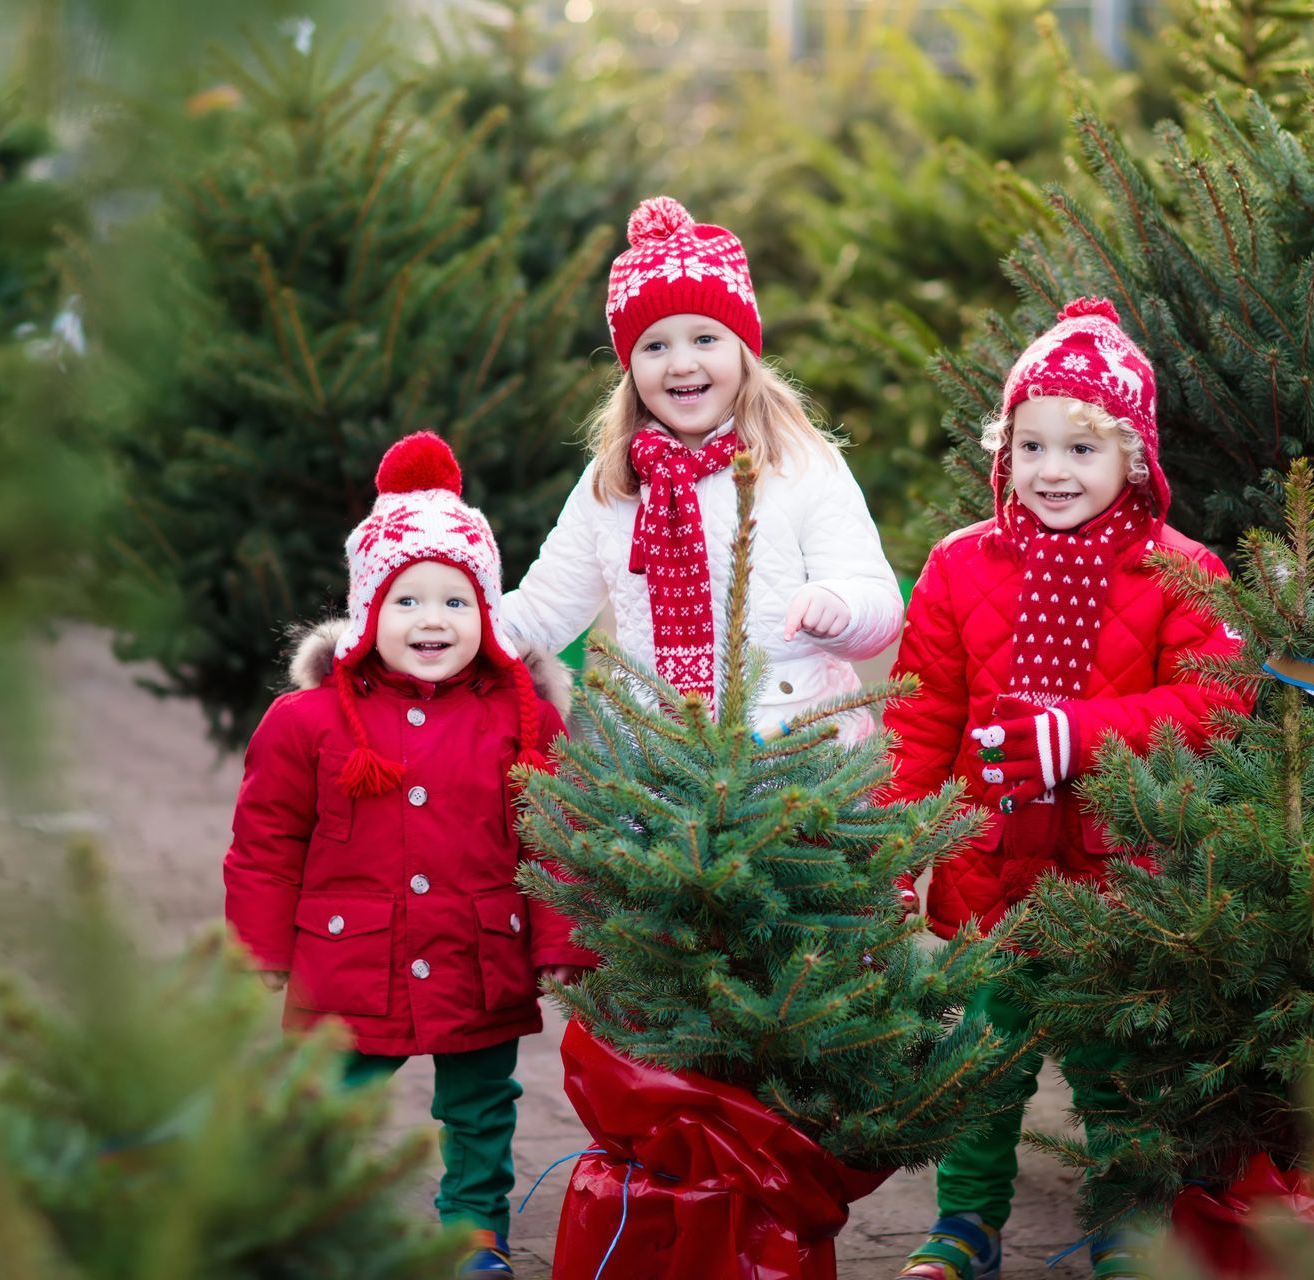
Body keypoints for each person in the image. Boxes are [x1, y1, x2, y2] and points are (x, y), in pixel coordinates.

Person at [884, 299, 1246, 1280]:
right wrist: (894, 844)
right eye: (1031, 443)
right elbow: (920, 716)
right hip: (986, 874)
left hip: (1115, 880)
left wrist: (1072, 737)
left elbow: (1217, 705)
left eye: (1081, 448)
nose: (1052, 469)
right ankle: (964, 1222)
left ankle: (1130, 1222)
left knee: (1116, 1071)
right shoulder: (962, 566)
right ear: (1004, 451)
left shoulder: (1180, 573)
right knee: (980, 1063)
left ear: (1133, 456)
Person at [223, 431, 597, 1279]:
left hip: (475, 946)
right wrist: (260, 947)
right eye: (408, 601)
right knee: (328, 1093)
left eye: (456, 602)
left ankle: (473, 1226)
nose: (432, 620)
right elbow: (266, 840)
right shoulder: (308, 722)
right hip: (350, 952)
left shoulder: (523, 720)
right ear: (367, 613)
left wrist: (563, 940)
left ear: (487, 615)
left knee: (480, 1103)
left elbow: (558, 834)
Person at [498, 196, 901, 738]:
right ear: (629, 365)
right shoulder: (614, 480)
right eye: (655, 345)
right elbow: (544, 610)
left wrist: (841, 608)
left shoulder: (799, 461)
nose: (681, 363)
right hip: (659, 767)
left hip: (796, 754)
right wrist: (450, 626)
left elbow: (873, 599)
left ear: (742, 350)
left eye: (705, 339)